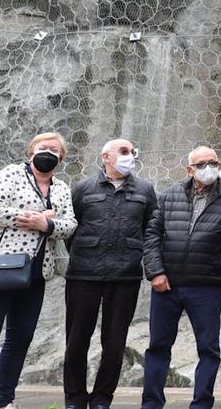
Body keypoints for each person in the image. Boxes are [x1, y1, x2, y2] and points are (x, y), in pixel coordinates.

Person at [0, 132, 77, 409]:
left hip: (36, 271)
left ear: (60, 158)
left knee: (20, 337)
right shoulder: (12, 174)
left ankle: (4, 401)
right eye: (42, 147)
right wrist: (40, 216)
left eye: (54, 149)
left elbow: (70, 224)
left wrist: (47, 225)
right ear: (30, 152)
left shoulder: (62, 188)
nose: (47, 152)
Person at [141, 145, 221, 409]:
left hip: (207, 287)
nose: (209, 168)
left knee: (209, 350)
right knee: (158, 347)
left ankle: (201, 403)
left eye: (213, 162)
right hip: (166, 286)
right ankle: (151, 403)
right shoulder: (170, 194)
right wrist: (155, 272)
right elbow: (152, 235)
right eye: (201, 164)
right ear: (189, 170)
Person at [64, 138, 157, 409]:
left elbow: (151, 230)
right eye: (124, 152)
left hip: (125, 277)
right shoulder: (82, 188)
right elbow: (70, 230)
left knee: (114, 342)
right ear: (106, 156)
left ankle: (102, 398)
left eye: (132, 152)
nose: (130, 156)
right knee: (76, 340)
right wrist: (87, 253)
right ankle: (75, 399)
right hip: (83, 275)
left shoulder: (145, 190)